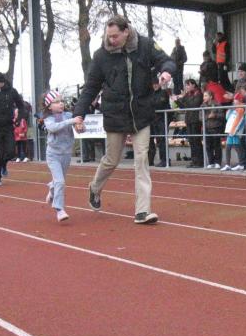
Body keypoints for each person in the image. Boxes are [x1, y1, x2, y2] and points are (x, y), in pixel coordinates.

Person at [73, 15, 175, 225]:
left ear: (126, 31)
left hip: (141, 114)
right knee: (111, 160)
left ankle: (142, 211)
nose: (111, 40)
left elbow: (167, 60)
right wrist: (79, 113)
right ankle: (94, 188)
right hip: (115, 114)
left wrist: (166, 72)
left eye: (115, 36)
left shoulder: (145, 45)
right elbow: (91, 87)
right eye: (108, 36)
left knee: (141, 159)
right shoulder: (101, 56)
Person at [42, 91, 77, 222]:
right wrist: (71, 121)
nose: (61, 104)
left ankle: (52, 189)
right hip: (53, 155)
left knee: (58, 181)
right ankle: (59, 209)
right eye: (56, 102)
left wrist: (80, 125)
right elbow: (53, 128)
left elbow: (79, 128)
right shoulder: (48, 118)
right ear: (49, 106)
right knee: (60, 182)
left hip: (66, 154)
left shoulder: (68, 115)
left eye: (61, 101)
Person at [176, 78, 204, 168]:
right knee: (191, 141)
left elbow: (194, 104)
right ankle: (194, 160)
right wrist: (177, 100)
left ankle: (199, 161)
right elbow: (183, 107)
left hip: (196, 120)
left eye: (188, 85)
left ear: (193, 85)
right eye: (186, 85)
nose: (186, 87)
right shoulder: (188, 94)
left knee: (196, 141)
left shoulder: (198, 93)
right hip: (189, 120)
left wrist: (183, 98)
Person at [221, 85, 246, 171]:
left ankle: (241, 164)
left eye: (235, 100)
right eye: (234, 100)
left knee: (237, 147)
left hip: (235, 131)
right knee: (228, 147)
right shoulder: (234, 109)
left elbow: (239, 121)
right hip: (230, 131)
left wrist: (234, 130)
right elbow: (227, 118)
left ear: (239, 101)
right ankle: (228, 164)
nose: (234, 102)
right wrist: (230, 110)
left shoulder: (241, 109)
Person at [148, 80, 171, 168]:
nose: (155, 85)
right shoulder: (151, 93)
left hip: (162, 119)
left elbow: (160, 104)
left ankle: (165, 160)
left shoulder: (163, 92)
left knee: (162, 140)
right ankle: (157, 160)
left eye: (156, 83)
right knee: (156, 140)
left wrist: (152, 103)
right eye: (153, 84)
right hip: (154, 120)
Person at [202, 87, 225, 169]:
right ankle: (211, 162)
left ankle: (218, 162)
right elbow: (200, 117)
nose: (204, 97)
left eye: (206, 96)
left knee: (217, 146)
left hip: (216, 127)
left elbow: (222, 115)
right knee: (208, 146)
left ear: (211, 96)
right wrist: (208, 116)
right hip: (206, 128)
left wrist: (215, 116)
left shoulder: (217, 104)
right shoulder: (202, 106)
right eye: (204, 96)